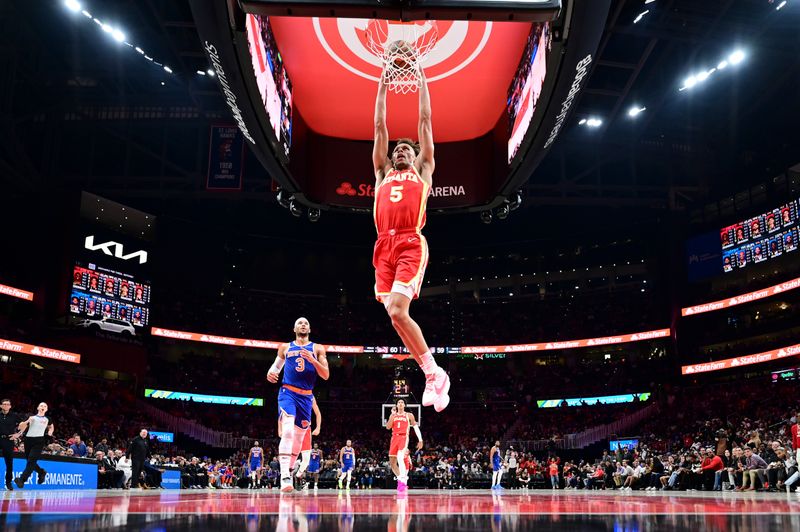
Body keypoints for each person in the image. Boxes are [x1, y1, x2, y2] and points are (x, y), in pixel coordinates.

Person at [372, 63, 450, 412]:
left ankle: (435, 373)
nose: (401, 151)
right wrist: (383, 83)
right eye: (397, 150)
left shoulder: (422, 172)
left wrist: (421, 79)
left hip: (409, 242)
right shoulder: (382, 174)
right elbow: (378, 126)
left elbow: (425, 121)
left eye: (408, 149)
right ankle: (431, 373)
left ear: (417, 157)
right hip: (382, 246)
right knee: (393, 315)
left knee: (397, 309)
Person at [266, 317, 329, 493]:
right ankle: (285, 476)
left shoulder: (317, 348)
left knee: (299, 439)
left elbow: (325, 375)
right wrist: (270, 374)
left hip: (306, 398)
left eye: (306, 323)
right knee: (287, 431)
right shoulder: (285, 347)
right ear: (294, 328)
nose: (303, 324)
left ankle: (290, 468)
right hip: (288, 393)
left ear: (310, 329)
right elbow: (274, 370)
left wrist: (313, 360)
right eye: (300, 323)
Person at [13, 402, 54, 488]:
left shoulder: (48, 419)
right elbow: (21, 427)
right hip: (28, 440)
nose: (43, 407)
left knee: (31, 460)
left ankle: (22, 480)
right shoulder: (31, 417)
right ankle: (41, 472)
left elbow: (51, 426)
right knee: (30, 462)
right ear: (38, 408)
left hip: (39, 441)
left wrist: (50, 431)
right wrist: (26, 422)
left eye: (45, 406)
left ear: (46, 409)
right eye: (41, 405)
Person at [386, 398, 423, 493]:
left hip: (403, 437)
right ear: (397, 405)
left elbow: (415, 427)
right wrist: (392, 415)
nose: (400, 403)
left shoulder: (409, 415)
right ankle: (401, 481)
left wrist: (420, 440)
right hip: (394, 438)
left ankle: (403, 481)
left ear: (404, 405)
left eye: (402, 402)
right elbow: (388, 427)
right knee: (393, 463)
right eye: (399, 402)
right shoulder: (393, 415)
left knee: (400, 457)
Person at [294, 397, 322, 489]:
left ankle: (298, 476)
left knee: (306, 460)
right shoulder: (292, 392)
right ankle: (285, 480)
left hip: (306, 430)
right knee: (289, 457)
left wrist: (318, 428)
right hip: (293, 428)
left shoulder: (311, 396)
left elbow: (318, 413)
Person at [0, 399, 23, 491]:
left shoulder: (14, 416)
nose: (6, 406)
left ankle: (8, 483)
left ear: (10, 406)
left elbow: (24, 424)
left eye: (8, 404)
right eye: (4, 404)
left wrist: (18, 434)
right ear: (0, 406)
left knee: (9, 463)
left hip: (8, 440)